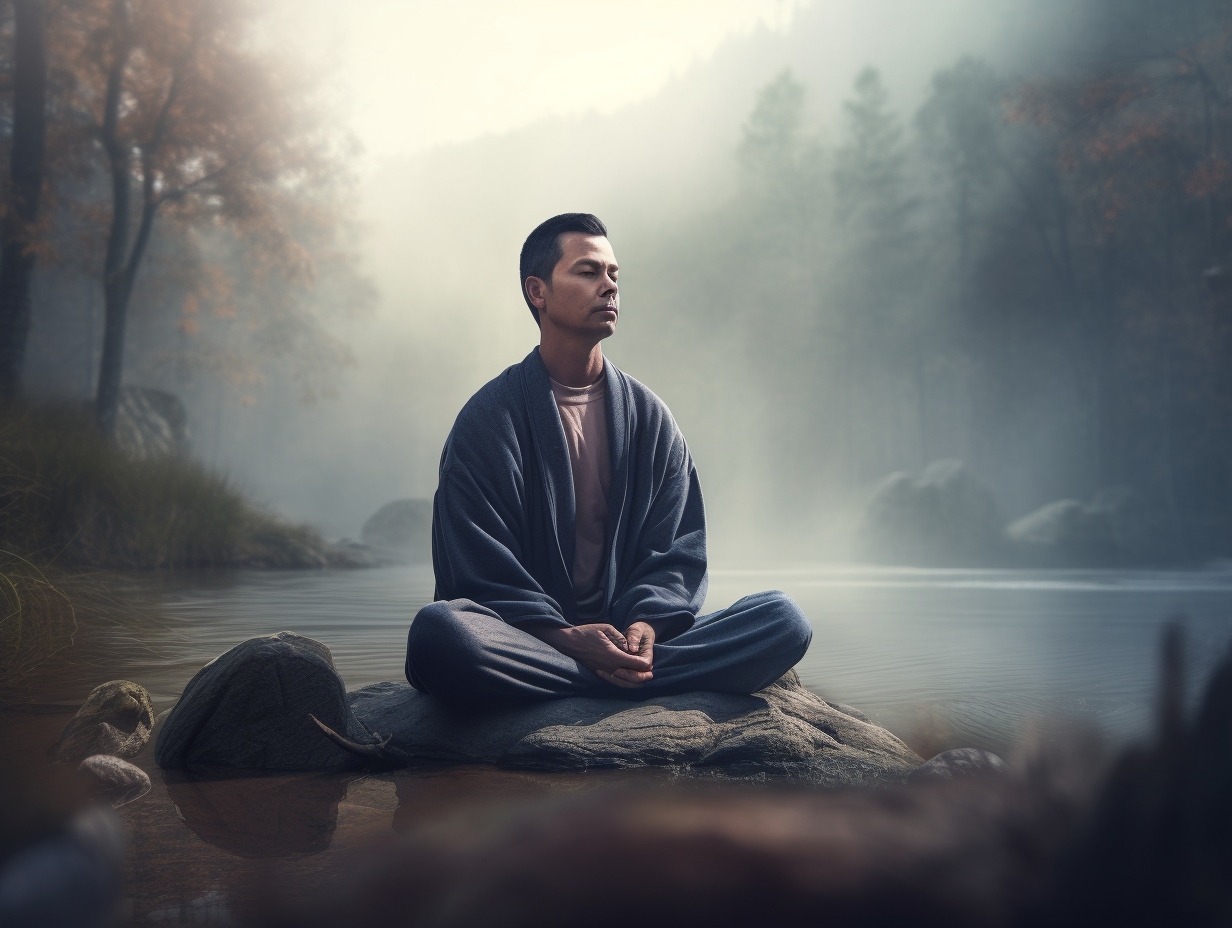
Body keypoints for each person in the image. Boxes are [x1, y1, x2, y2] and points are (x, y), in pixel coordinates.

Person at [404, 213, 812, 707]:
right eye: (588, 272)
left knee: (784, 620)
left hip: (626, 640)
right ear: (538, 291)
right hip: (534, 640)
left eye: (614, 275)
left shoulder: (649, 418)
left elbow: (677, 551)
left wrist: (644, 626)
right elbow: (478, 571)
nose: (609, 287)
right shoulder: (489, 420)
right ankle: (621, 678)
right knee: (441, 634)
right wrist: (564, 636)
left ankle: (609, 673)